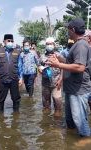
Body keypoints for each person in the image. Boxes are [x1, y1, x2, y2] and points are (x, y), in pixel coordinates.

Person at [46, 18, 91, 146]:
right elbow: (73, 63)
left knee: (79, 116)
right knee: (70, 116)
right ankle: (70, 131)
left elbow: (80, 67)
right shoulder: (77, 44)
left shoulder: (81, 45)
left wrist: (58, 64)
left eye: (68, 29)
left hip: (78, 88)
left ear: (73, 30)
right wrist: (61, 58)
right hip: (71, 88)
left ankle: (85, 136)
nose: (67, 31)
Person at [0, 34, 23, 112]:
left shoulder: (16, 52)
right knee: (1, 99)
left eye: (12, 41)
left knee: (16, 99)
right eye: (8, 41)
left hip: (14, 79)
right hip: (2, 79)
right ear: (4, 41)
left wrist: (21, 77)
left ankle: (15, 117)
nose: (10, 42)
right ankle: (0, 117)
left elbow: (20, 65)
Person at [38, 37, 63, 117]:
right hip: (45, 82)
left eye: (51, 44)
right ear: (45, 45)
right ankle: (47, 108)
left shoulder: (59, 56)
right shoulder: (42, 56)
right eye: (47, 44)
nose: (49, 46)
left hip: (56, 81)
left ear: (54, 45)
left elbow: (63, 68)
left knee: (57, 99)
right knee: (45, 99)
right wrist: (39, 69)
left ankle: (57, 110)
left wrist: (60, 79)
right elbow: (39, 65)